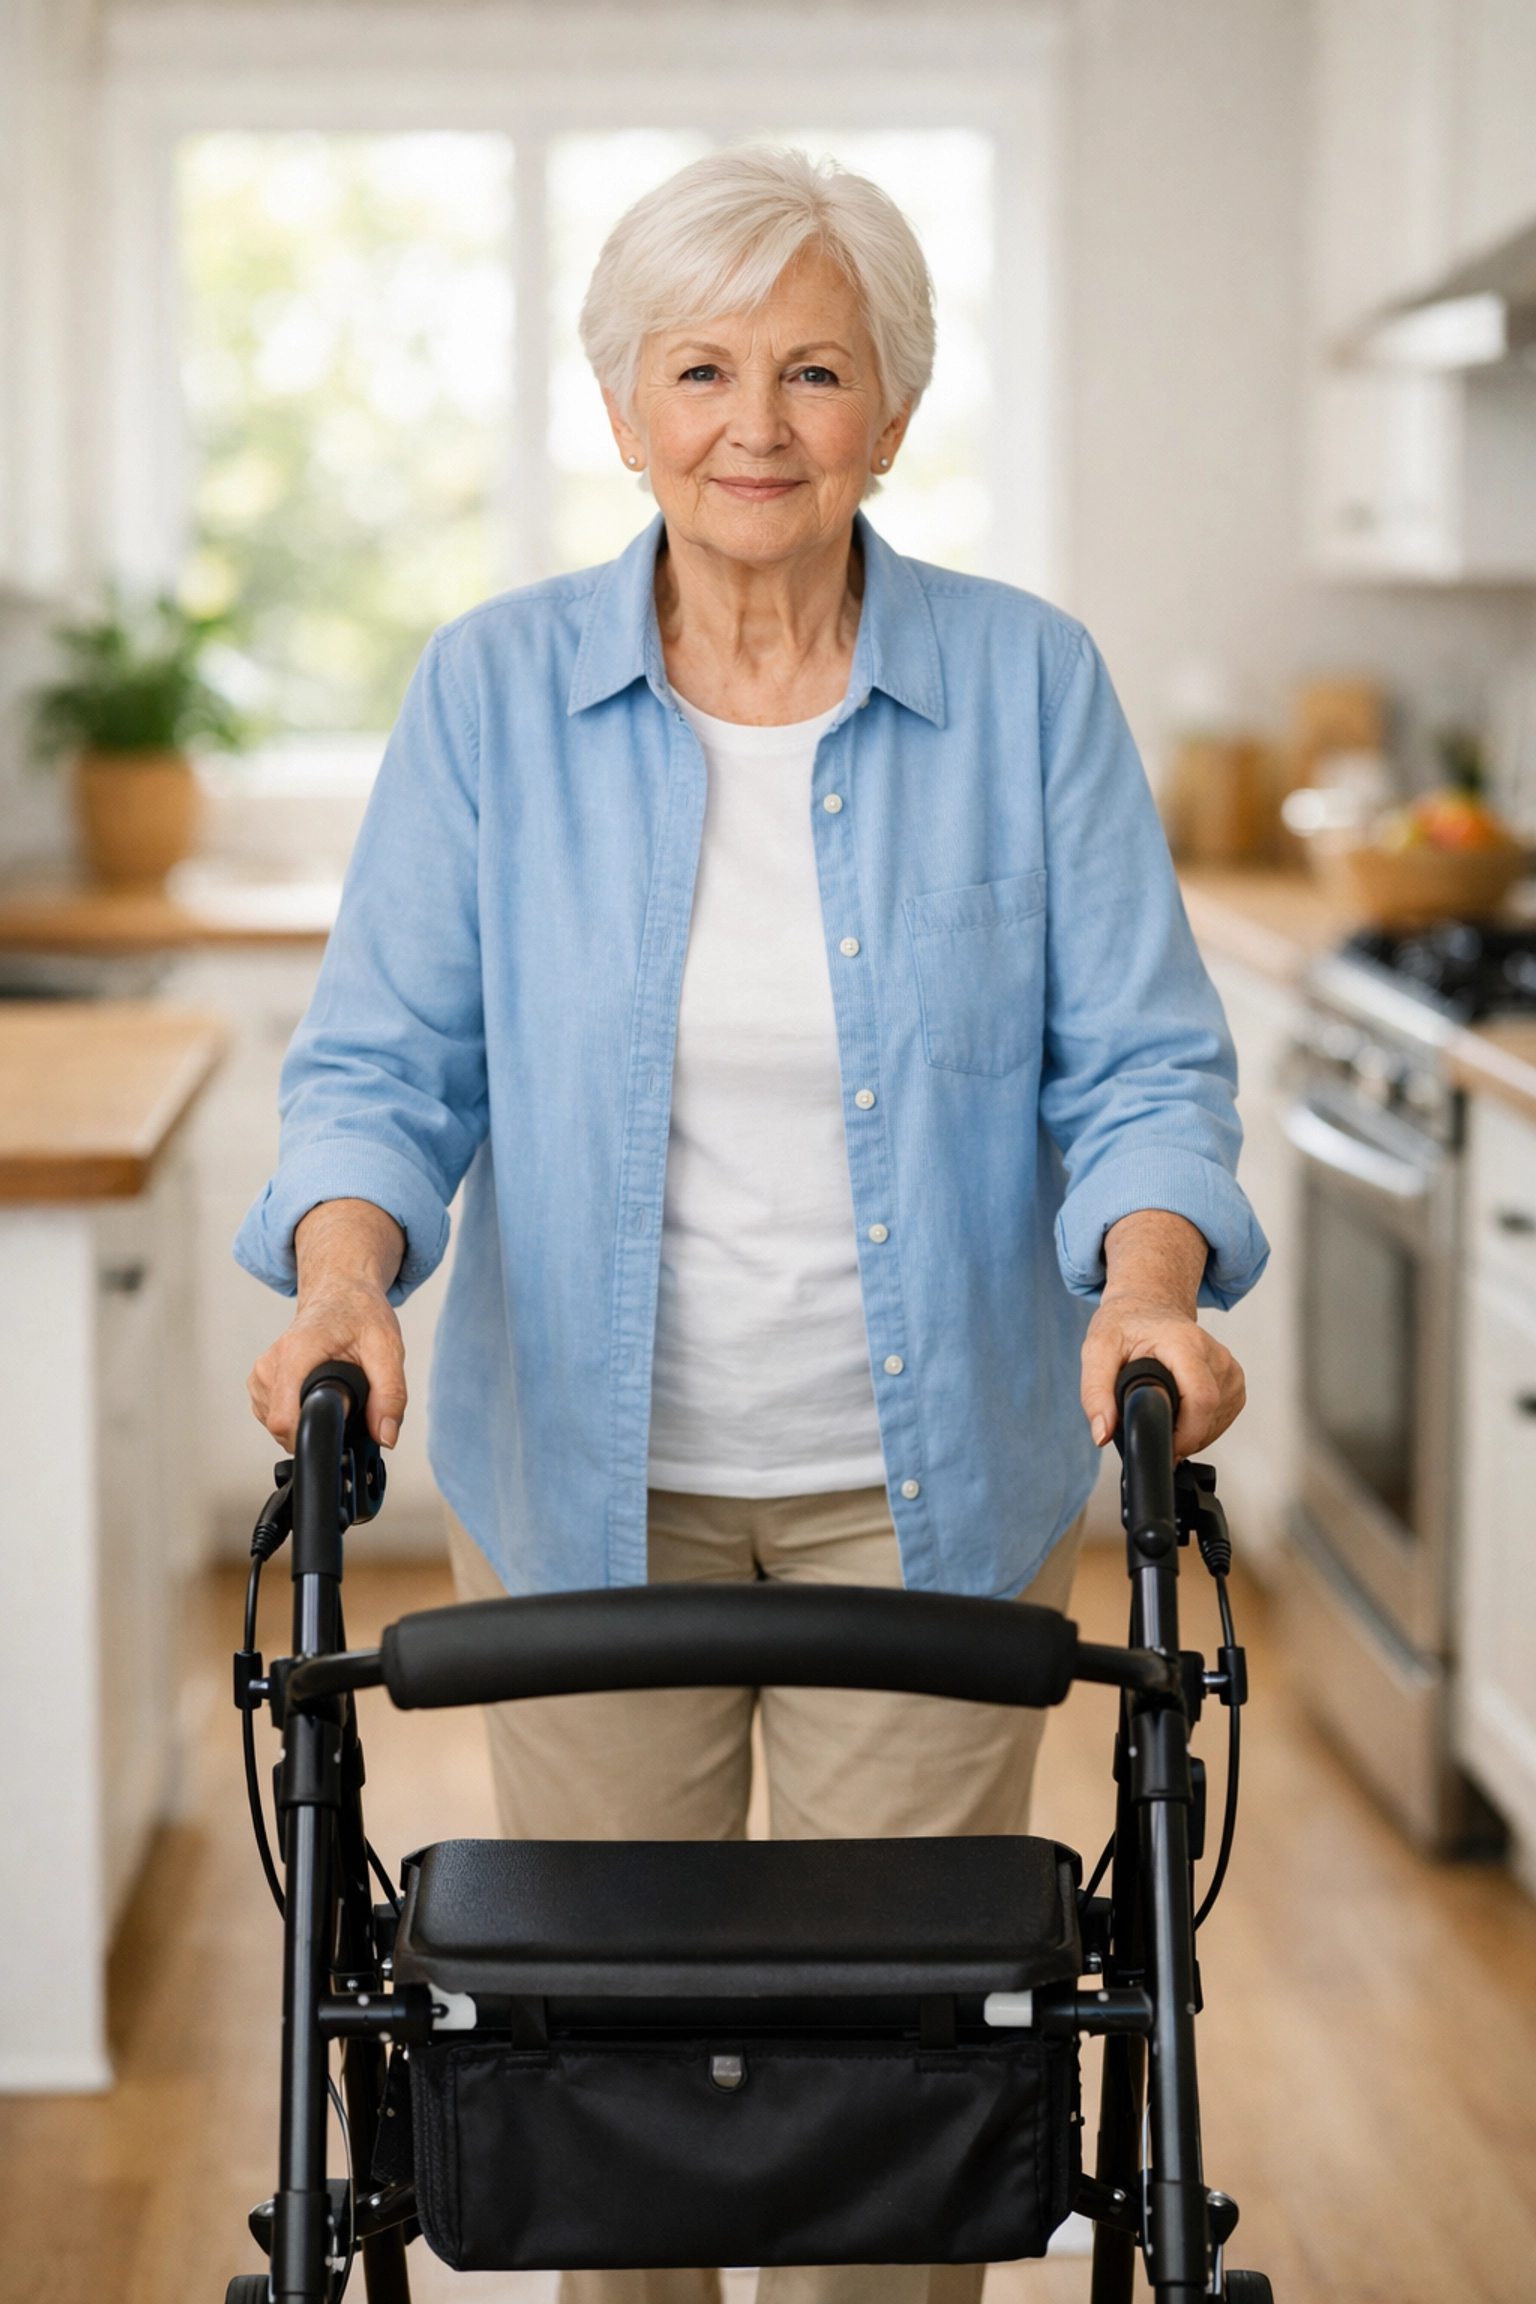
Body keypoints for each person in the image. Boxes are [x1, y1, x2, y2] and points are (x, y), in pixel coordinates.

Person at [240, 146, 1263, 2304]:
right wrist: (346, 1277)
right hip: (587, 1501)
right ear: (622, 408)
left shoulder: (1028, 686)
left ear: (891, 408)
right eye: (701, 369)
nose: (758, 427)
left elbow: (1146, 1072)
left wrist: (1151, 1285)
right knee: (616, 2084)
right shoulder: (492, 695)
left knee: (893, 2079)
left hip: (941, 1496)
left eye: (815, 370)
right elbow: (384, 1066)